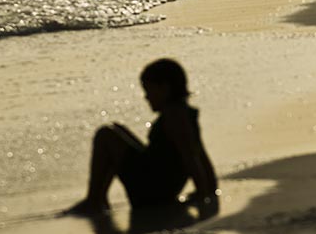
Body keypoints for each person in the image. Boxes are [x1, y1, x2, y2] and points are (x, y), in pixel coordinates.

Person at [64, 58, 219, 217]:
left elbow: (191, 157)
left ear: (165, 88)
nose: (146, 97)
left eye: (148, 90)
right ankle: (98, 198)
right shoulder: (184, 113)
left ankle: (94, 199)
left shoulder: (175, 117)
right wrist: (211, 189)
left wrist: (203, 194)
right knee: (117, 129)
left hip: (153, 191)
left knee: (105, 135)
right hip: (158, 184)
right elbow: (201, 154)